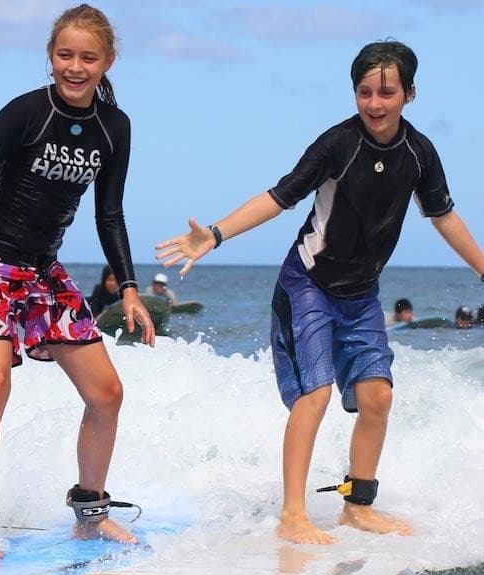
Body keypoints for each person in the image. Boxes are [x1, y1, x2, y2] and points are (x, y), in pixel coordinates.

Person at [155, 40, 484, 545]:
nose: (375, 103)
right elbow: (279, 196)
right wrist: (215, 234)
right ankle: (293, 514)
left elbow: (442, 216)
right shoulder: (338, 144)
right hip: (306, 284)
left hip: (361, 294)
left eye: (387, 93)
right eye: (364, 92)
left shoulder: (419, 154)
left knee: (378, 396)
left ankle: (357, 507)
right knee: (316, 393)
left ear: (409, 94)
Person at [0, 4, 154, 560]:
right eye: (65, 55)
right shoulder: (27, 112)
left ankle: (90, 515)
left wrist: (129, 288)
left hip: (43, 271)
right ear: (50, 56)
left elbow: (109, 213)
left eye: (88, 57)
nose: (76, 66)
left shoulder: (115, 128)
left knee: (107, 393)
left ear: (108, 61)